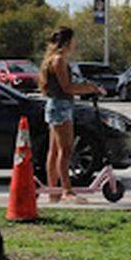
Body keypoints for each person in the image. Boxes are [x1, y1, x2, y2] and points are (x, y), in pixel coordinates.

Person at [37, 26, 104, 204]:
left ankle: (53, 192)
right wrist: (91, 88)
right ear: (67, 42)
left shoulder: (54, 59)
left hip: (57, 105)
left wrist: (86, 86)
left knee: (54, 151)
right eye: (73, 40)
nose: (75, 44)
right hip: (61, 107)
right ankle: (66, 190)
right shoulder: (58, 60)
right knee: (66, 150)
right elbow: (67, 87)